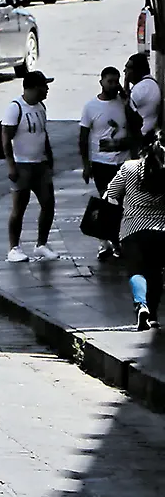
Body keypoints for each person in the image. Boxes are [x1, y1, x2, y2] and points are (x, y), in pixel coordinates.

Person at [103, 134, 165, 330]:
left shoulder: (129, 168)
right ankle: (153, 316)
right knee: (155, 272)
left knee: (136, 270)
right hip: (161, 230)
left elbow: (111, 195)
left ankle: (141, 306)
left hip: (132, 229)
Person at [2, 71, 59, 262]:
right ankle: (14, 247)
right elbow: (6, 139)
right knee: (19, 207)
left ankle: (41, 244)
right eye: (44, 86)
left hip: (40, 164)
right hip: (22, 164)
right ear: (34, 87)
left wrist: (49, 157)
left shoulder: (41, 107)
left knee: (48, 203)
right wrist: (11, 165)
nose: (47, 90)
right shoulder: (15, 108)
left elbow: (44, 134)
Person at [80, 66, 131, 259]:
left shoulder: (123, 103)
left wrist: (126, 98)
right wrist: (86, 165)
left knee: (122, 202)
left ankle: (117, 240)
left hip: (122, 161)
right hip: (101, 163)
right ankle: (106, 241)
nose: (113, 85)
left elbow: (135, 125)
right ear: (101, 82)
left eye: (116, 81)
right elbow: (83, 137)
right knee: (107, 201)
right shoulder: (90, 107)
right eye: (109, 81)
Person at [125, 52, 161, 146]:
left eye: (128, 68)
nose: (125, 71)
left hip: (142, 139)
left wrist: (126, 82)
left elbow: (124, 107)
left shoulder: (143, 87)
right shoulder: (148, 84)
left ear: (138, 70)